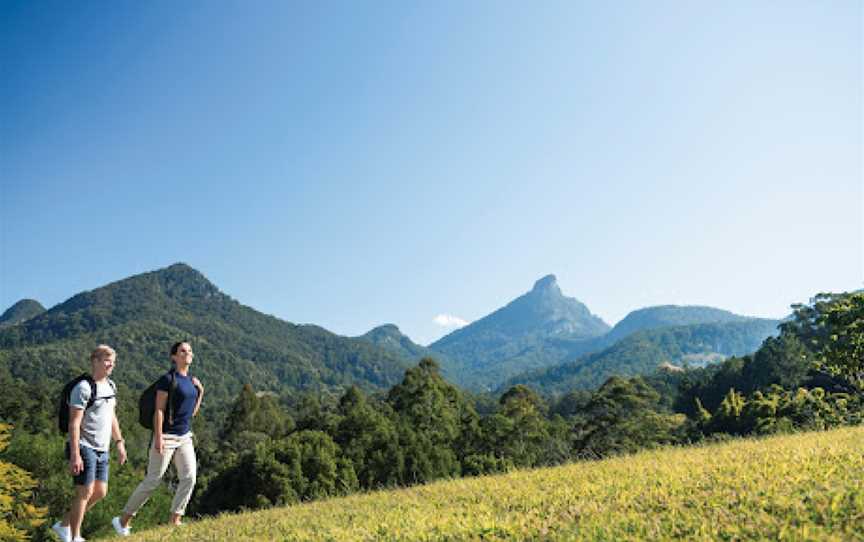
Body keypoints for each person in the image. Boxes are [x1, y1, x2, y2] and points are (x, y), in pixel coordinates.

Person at [112, 341, 203, 536]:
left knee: (189, 478)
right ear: (174, 357)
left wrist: (200, 392)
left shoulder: (192, 381)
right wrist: (159, 438)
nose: (187, 354)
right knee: (152, 480)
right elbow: (159, 410)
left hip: (185, 437)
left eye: (189, 351)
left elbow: (191, 413)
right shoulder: (167, 380)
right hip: (166, 437)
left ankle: (175, 519)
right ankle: (122, 521)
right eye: (182, 351)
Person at [52, 345, 127, 542]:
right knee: (84, 491)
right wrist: (75, 454)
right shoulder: (83, 388)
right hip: (84, 446)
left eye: (112, 360)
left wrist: (119, 442)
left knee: (100, 492)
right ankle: (75, 536)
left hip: (103, 448)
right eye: (106, 359)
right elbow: (74, 423)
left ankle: (63, 525)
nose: (111, 364)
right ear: (94, 361)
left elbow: (112, 416)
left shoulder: (111, 386)